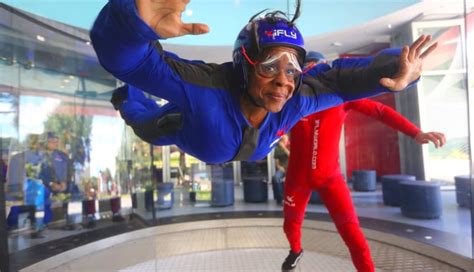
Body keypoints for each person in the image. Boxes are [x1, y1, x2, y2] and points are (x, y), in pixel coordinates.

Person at [90, 0, 437, 165]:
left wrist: (400, 68)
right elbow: (135, 63)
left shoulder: (297, 97)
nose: (283, 82)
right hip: (184, 126)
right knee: (142, 120)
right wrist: (131, 24)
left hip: (225, 146)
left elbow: (342, 78)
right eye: (270, 65)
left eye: (292, 68)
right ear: (244, 64)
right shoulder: (206, 87)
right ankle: (124, 99)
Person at [281, 51, 446, 272]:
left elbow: (379, 110)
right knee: (290, 225)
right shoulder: (293, 97)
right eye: (310, 69)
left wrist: (415, 133)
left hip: (330, 178)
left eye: (318, 68)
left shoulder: (339, 94)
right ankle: (296, 251)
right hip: (298, 176)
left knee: (352, 233)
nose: (316, 75)